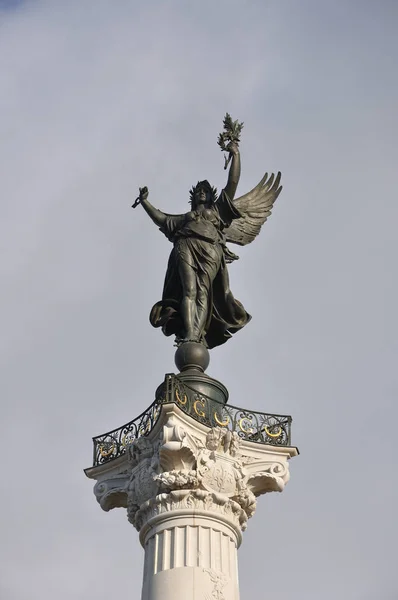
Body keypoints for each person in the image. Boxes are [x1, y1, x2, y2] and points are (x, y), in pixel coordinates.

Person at [136, 141, 251, 348]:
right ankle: (190, 333)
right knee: (189, 290)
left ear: (210, 195)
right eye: (198, 190)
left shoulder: (217, 212)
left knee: (203, 292)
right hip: (185, 246)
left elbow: (232, 183)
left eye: (205, 190)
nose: (201, 193)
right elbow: (162, 219)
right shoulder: (185, 218)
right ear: (193, 195)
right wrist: (145, 202)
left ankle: (197, 334)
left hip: (210, 250)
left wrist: (235, 155)